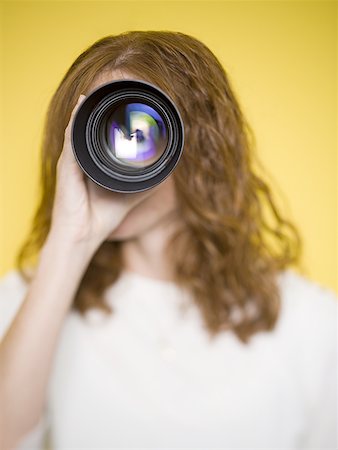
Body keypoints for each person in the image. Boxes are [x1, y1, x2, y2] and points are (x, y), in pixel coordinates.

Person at [0, 30, 337, 450]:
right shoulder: (27, 305)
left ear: (201, 146)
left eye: (140, 132)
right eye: (98, 133)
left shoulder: (311, 322)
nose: (117, 156)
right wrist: (71, 240)